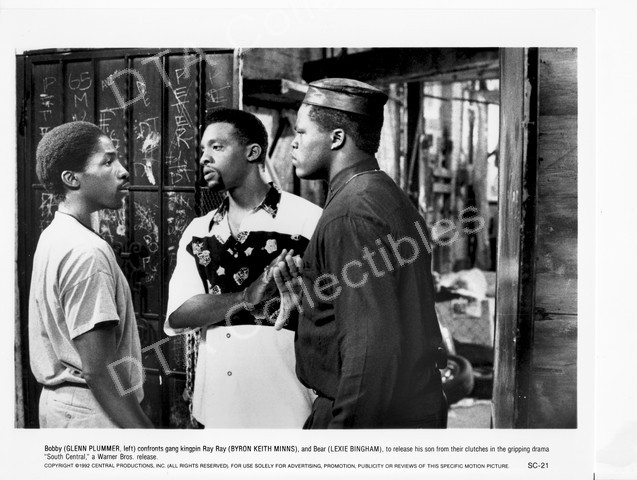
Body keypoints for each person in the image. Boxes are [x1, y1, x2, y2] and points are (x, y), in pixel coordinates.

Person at [279, 78, 447, 428]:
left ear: (336, 138)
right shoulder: (382, 193)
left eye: (302, 132)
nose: (294, 142)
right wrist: (310, 306)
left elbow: (370, 352)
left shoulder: (350, 214)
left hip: (372, 419)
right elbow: (380, 313)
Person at [165, 108, 322, 428]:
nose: (204, 158)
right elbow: (179, 315)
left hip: (290, 410)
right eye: (202, 149)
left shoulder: (309, 220)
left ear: (252, 152)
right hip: (217, 412)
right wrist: (245, 297)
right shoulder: (199, 231)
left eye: (217, 147)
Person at [29, 121, 153, 428]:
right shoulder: (86, 251)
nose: (123, 172)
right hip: (93, 411)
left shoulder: (55, 233)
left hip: (66, 407)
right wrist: (147, 436)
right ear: (72, 179)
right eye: (108, 162)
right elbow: (99, 370)